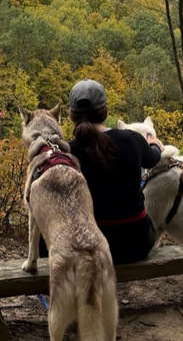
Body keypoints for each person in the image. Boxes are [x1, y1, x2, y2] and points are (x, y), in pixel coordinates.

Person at [68, 79, 163, 264]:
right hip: (137, 242)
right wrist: (155, 146)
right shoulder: (131, 139)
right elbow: (152, 159)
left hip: (91, 246)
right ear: (105, 111)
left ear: (72, 115)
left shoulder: (69, 152)